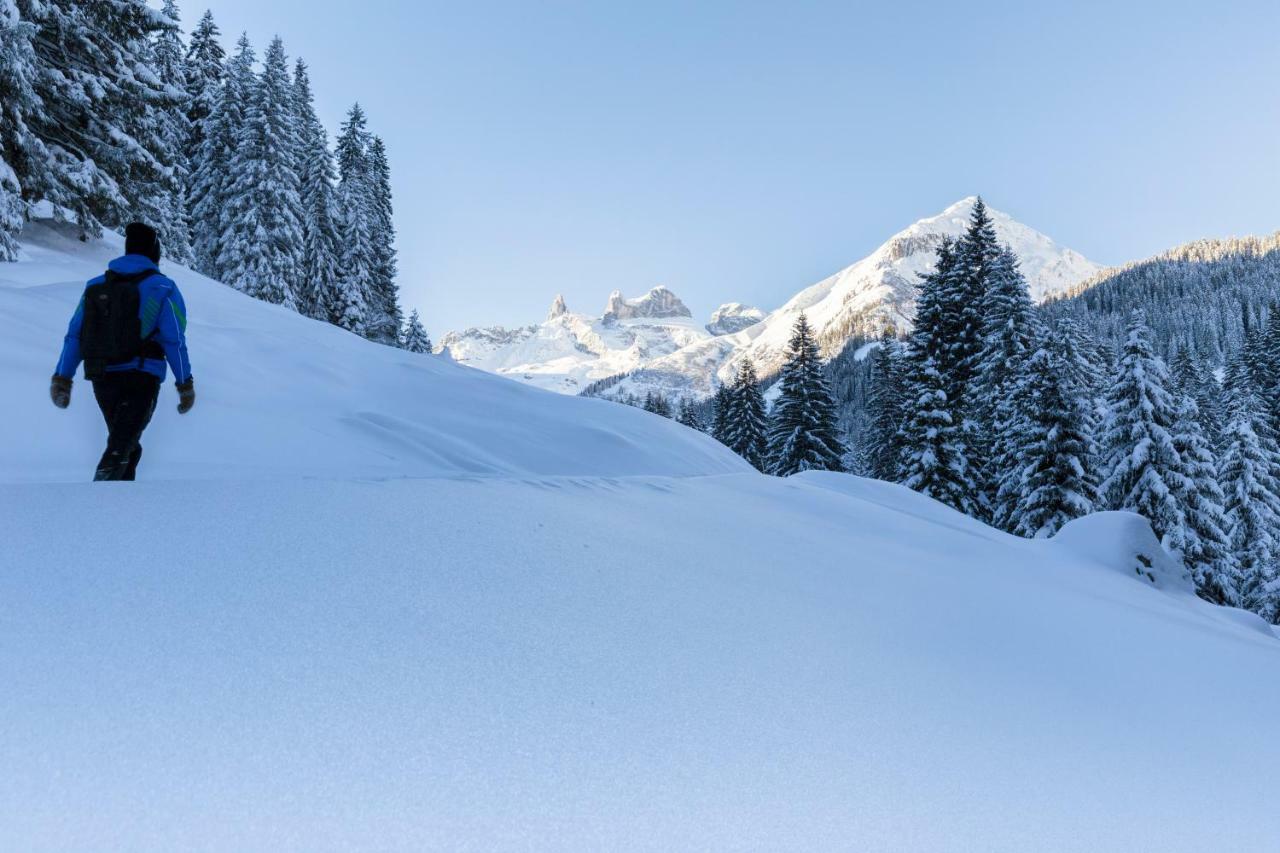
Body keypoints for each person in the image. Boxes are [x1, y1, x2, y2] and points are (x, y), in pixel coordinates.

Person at [49, 222, 195, 481]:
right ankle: (92, 509)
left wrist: (63, 377)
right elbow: (174, 340)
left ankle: (121, 515)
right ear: (154, 253)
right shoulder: (163, 287)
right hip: (141, 376)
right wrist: (185, 384)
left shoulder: (96, 286)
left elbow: (75, 334)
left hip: (102, 377)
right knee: (120, 448)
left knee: (127, 445)